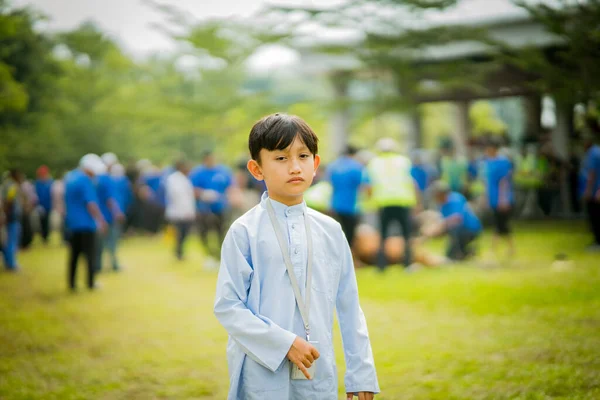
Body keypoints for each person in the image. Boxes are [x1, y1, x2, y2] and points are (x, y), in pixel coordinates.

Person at [214, 113, 379, 400]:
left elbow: (350, 305)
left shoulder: (330, 230)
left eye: (303, 156)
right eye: (280, 158)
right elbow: (229, 307)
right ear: (257, 169)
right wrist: (284, 343)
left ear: (315, 164)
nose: (294, 167)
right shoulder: (245, 232)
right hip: (261, 371)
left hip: (317, 368)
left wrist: (361, 373)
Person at [366, 137, 419, 271]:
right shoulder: (404, 161)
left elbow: (368, 185)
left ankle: (381, 265)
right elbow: (412, 182)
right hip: (403, 201)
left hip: (383, 203)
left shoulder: (374, 163)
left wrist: (369, 201)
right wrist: (417, 202)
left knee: (383, 236)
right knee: (406, 235)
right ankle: (407, 263)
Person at [65, 154, 107, 291]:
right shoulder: (85, 180)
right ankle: (90, 283)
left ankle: (71, 284)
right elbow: (91, 204)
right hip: (86, 224)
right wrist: (101, 220)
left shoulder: (70, 178)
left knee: (74, 255)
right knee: (90, 255)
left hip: (72, 223)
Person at [189, 151, 233, 266]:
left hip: (221, 207)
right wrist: (203, 194)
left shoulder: (223, 171)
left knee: (222, 232)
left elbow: (231, 187)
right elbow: (192, 189)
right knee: (204, 233)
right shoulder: (197, 173)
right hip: (203, 208)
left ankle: (221, 256)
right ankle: (209, 255)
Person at [426, 181, 482, 261]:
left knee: (453, 229)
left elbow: (457, 218)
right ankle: (466, 252)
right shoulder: (442, 204)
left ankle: (458, 253)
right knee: (449, 253)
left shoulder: (455, 199)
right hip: (459, 229)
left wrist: (440, 225)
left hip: (469, 229)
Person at [327, 145, 369, 250]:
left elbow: (329, 183)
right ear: (354, 154)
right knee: (350, 235)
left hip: (335, 204)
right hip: (351, 206)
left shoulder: (333, 166)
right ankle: (349, 258)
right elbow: (364, 186)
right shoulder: (356, 167)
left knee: (336, 233)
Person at [484, 136, 515, 257]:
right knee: (500, 225)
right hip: (493, 198)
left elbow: (504, 182)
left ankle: (494, 251)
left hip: (502, 199)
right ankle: (509, 249)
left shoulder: (503, 162)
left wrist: (503, 199)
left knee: (500, 225)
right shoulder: (488, 161)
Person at [95, 154, 125, 272]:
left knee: (100, 243)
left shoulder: (97, 178)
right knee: (111, 242)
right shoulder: (106, 179)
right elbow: (110, 199)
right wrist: (117, 212)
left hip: (100, 216)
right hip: (108, 216)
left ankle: (98, 265)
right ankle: (113, 264)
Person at [165, 159, 196, 260]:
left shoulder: (184, 179)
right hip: (178, 212)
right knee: (180, 233)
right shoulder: (174, 179)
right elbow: (178, 197)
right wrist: (186, 211)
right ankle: (178, 252)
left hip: (185, 211)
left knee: (184, 234)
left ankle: (180, 252)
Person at [1, 169, 24, 271]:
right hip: (12, 217)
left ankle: (9, 262)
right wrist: (6, 215)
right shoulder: (12, 186)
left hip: (8, 217)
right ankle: (11, 263)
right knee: (11, 241)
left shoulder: (6, 184)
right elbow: (9, 201)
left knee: (7, 241)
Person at [582, 135, 600, 251]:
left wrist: (588, 191)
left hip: (595, 193)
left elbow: (592, 174)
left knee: (595, 217)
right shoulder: (595, 152)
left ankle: (598, 242)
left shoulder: (593, 154)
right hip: (595, 191)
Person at [34, 165, 54, 243]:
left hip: (48, 205)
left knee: (47, 221)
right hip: (40, 206)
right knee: (41, 222)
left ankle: (46, 236)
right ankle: (43, 236)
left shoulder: (50, 182)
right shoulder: (38, 183)